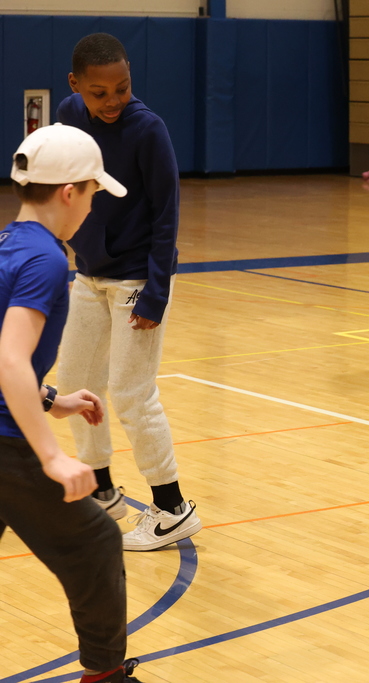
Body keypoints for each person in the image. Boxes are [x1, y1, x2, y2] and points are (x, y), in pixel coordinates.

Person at [0, 124, 143, 682]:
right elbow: (10, 358)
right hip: (7, 444)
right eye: (91, 193)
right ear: (68, 192)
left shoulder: (9, 244)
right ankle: (105, 675)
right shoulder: (45, 261)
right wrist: (53, 457)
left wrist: (51, 399)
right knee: (98, 542)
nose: (92, 205)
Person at [56, 32, 200, 551]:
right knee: (75, 382)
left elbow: (167, 216)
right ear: (76, 86)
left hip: (139, 279)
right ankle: (101, 489)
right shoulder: (69, 117)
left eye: (123, 87)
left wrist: (157, 293)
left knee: (133, 394)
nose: (113, 100)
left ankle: (171, 507)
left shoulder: (148, 130)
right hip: (90, 276)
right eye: (100, 92)